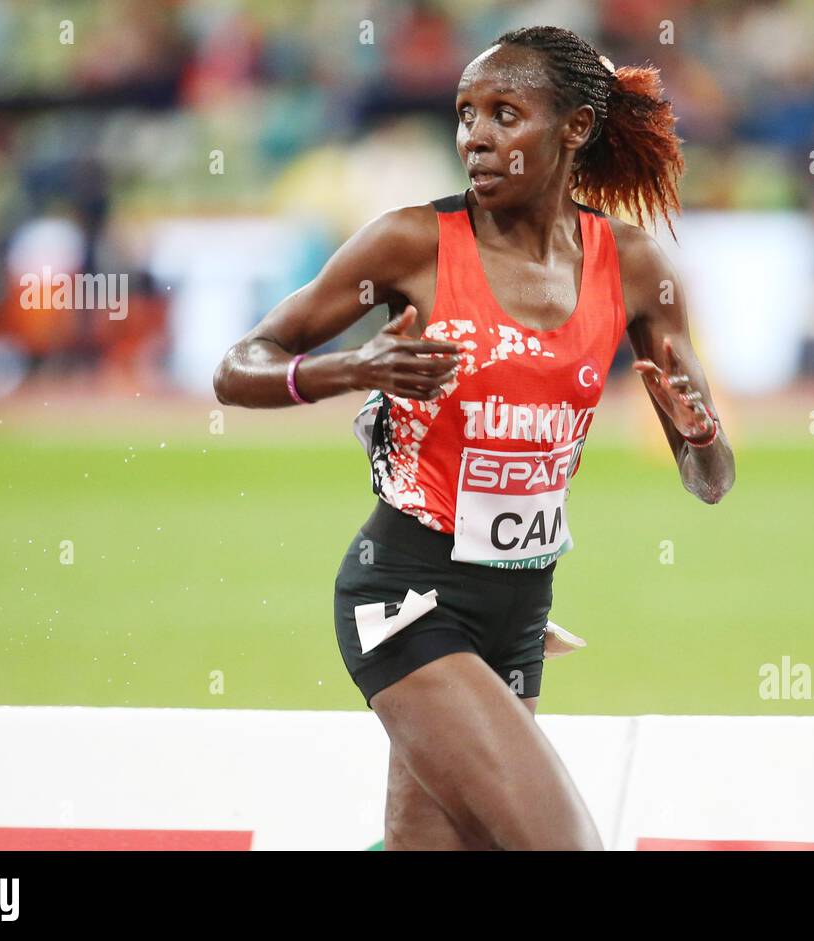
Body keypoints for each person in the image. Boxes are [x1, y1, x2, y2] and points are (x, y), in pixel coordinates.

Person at [213, 25, 734, 850]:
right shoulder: (411, 242)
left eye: (504, 113)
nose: (475, 138)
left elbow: (711, 480)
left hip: (522, 606)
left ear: (573, 129)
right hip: (407, 593)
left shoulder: (634, 267)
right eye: (465, 115)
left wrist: (698, 432)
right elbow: (239, 365)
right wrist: (352, 371)